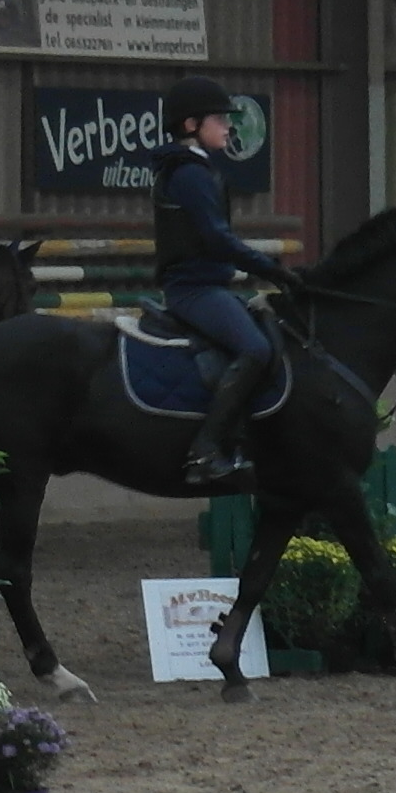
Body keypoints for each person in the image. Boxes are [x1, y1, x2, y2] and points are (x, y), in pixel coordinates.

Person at [144, 76, 295, 490]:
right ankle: (206, 450)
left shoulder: (196, 168)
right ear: (191, 125)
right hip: (194, 290)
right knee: (255, 348)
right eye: (219, 119)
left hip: (209, 286)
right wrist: (273, 270)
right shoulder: (189, 174)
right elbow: (217, 239)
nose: (228, 127)